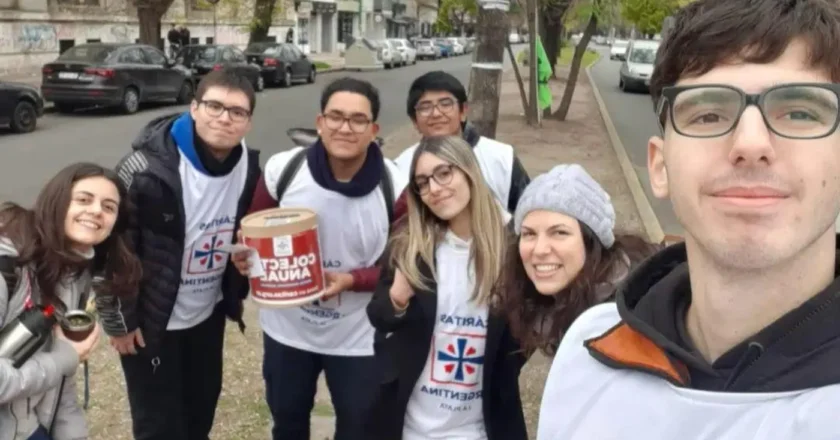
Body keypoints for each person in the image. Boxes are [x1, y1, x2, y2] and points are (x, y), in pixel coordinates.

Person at [537, 0, 840, 439]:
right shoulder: (587, 353)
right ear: (660, 167)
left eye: (800, 112)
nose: (751, 142)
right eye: (709, 113)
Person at [99, 69, 261, 440]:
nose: (224, 117)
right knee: (158, 425)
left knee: (200, 413)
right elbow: (110, 246)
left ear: (248, 122)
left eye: (237, 111)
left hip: (207, 314)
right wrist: (118, 321)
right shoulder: (144, 169)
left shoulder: (249, 170)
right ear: (193, 107)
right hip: (154, 322)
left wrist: (244, 265)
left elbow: (251, 235)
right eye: (214, 106)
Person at [241, 77, 406, 440]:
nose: (345, 127)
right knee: (288, 424)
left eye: (357, 120)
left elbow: (404, 266)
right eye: (336, 116)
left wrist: (352, 281)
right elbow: (253, 233)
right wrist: (247, 260)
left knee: (360, 428)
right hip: (288, 331)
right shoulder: (283, 171)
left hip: (358, 334)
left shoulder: (396, 185)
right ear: (320, 122)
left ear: (373, 129)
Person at [366, 135, 527, 440]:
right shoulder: (411, 244)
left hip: (481, 425)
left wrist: (503, 371)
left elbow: (526, 333)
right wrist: (398, 297)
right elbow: (379, 316)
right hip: (412, 424)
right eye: (423, 183)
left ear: (469, 171)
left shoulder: (513, 247)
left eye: (443, 173)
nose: (434, 189)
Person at [0, 162, 142, 440]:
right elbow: (61, 363)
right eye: (84, 199)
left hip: (30, 427)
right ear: (57, 200)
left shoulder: (76, 272)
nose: (96, 211)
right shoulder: (7, 266)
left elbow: (61, 389)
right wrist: (66, 358)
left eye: (109, 207)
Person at [493, 164, 659, 356]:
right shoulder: (537, 298)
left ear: (592, 242)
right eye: (529, 233)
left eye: (559, 233)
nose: (539, 250)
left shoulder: (632, 319)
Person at [392, 71, 531, 215]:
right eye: (425, 107)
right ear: (415, 121)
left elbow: (528, 215)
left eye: (445, 104)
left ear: (463, 111)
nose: (436, 113)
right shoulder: (402, 167)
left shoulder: (501, 158)